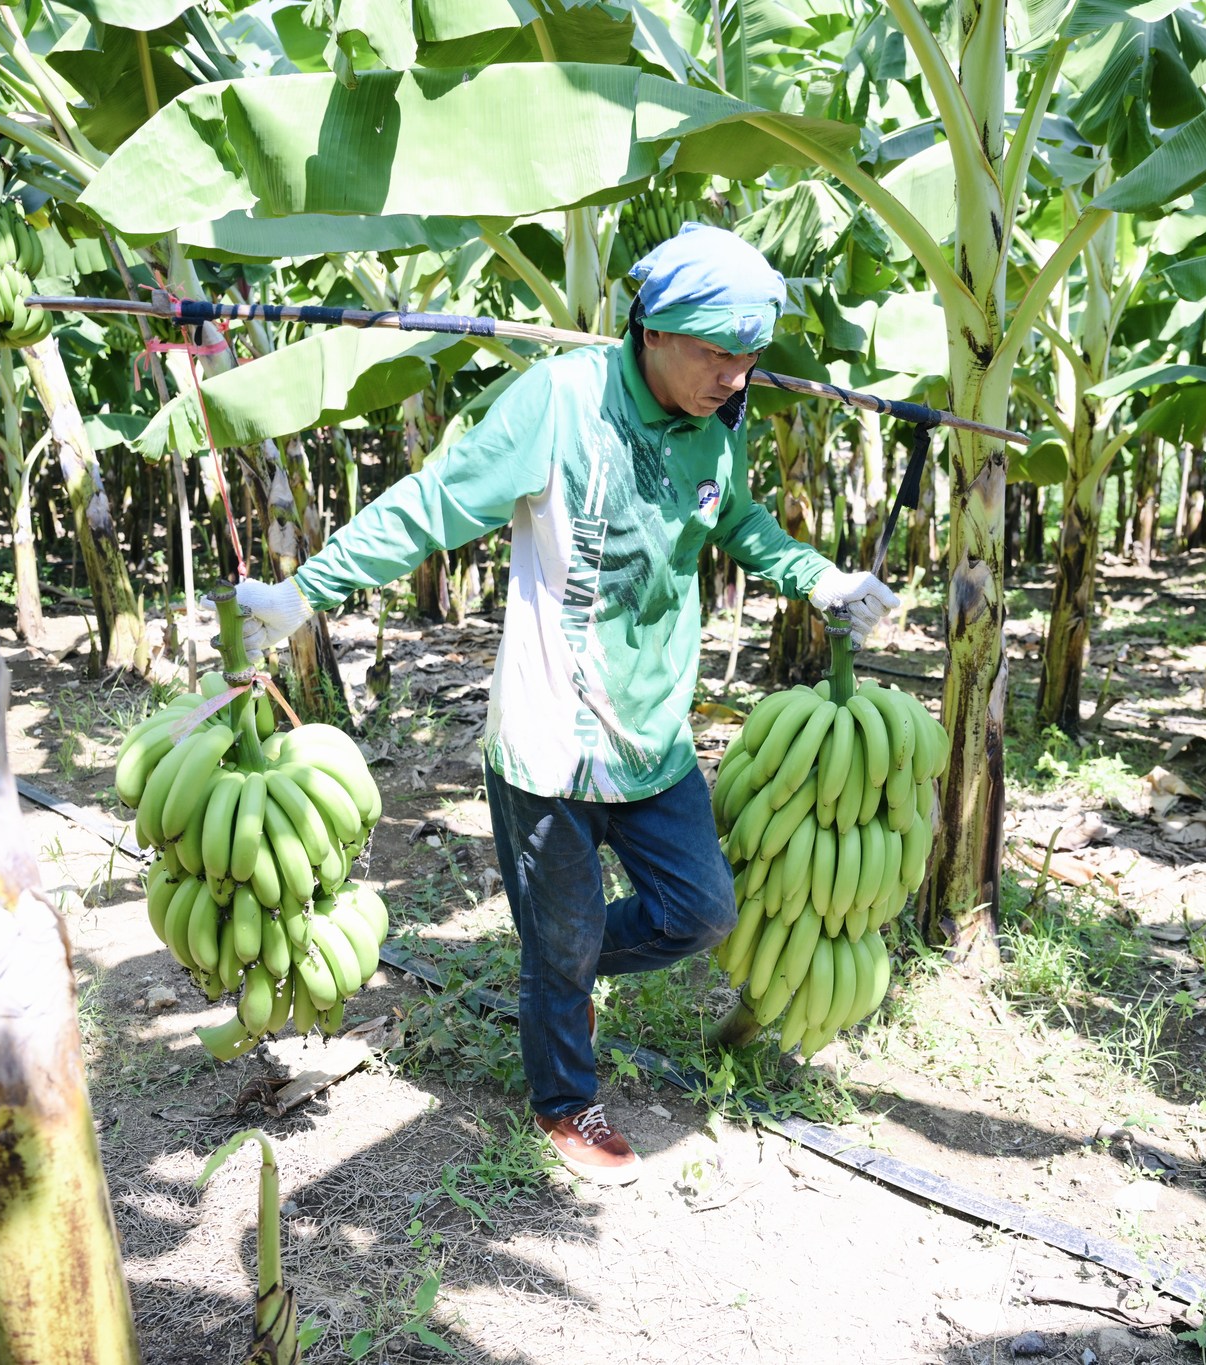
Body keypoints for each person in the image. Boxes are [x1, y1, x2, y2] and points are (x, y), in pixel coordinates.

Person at [230, 226, 898, 1183]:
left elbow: (733, 515)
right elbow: (431, 504)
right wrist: (306, 592)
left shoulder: (721, 415)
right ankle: (563, 1096)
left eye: (750, 356)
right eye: (716, 353)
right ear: (652, 330)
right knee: (567, 932)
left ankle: (557, 969)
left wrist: (819, 578)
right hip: (551, 736)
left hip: (652, 732)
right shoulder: (559, 402)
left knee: (698, 912)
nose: (736, 376)